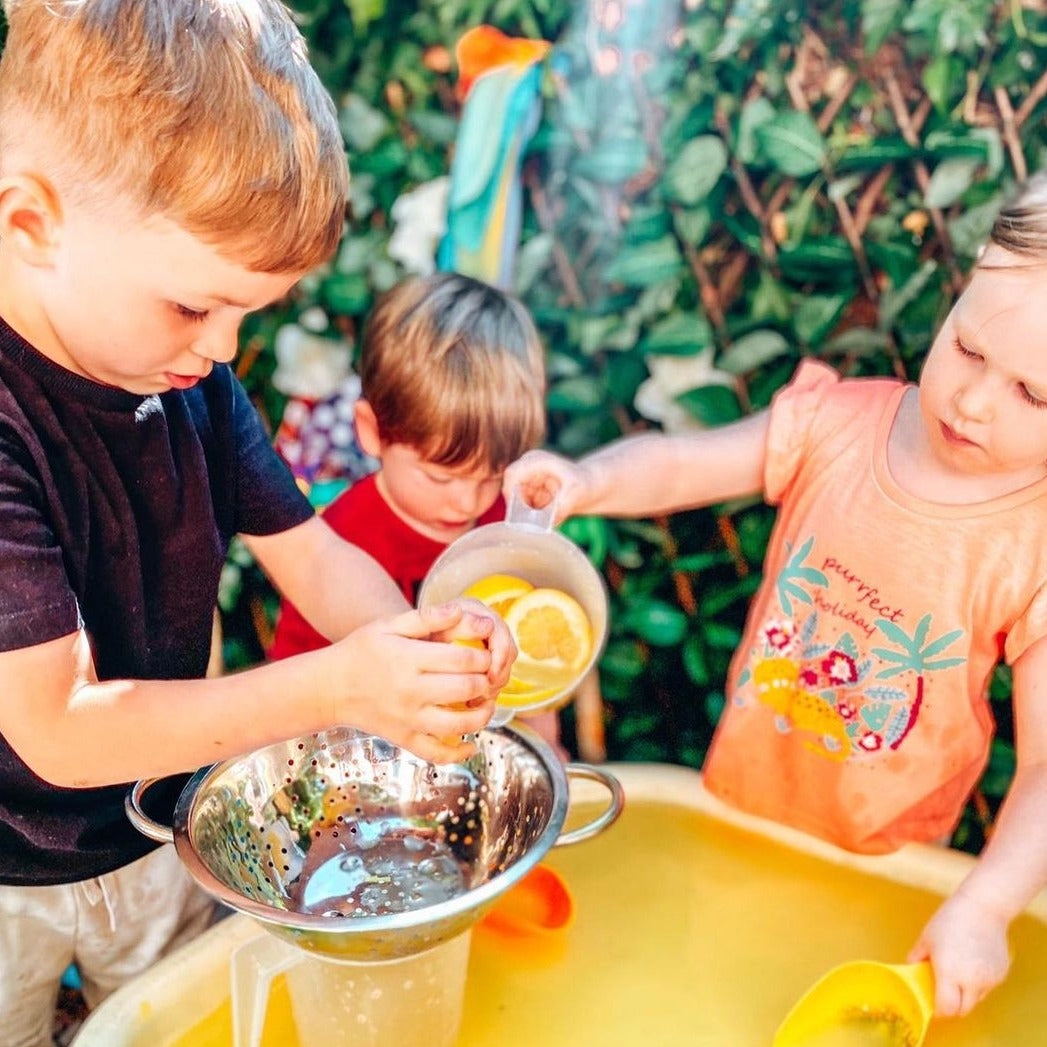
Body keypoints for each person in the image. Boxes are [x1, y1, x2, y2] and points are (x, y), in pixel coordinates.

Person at [0, 3, 510, 1044]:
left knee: (157, 1023)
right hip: (4, 871)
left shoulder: (187, 382)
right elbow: (56, 726)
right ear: (31, 225)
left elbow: (314, 557)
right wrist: (333, 684)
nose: (225, 349)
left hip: (151, 832)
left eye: (252, 313)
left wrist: (417, 648)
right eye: (195, 306)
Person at [505, 173, 1047, 1019]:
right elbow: (689, 461)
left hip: (885, 866)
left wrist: (983, 906)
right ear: (965, 281)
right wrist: (587, 478)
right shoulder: (837, 422)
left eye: (1032, 394)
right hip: (732, 808)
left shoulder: (1035, 542)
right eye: (969, 350)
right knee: (713, 1005)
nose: (974, 401)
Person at [270, 271, 565, 751]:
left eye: (491, 474)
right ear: (371, 431)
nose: (468, 502)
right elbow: (299, 688)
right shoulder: (339, 543)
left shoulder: (504, 524)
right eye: (441, 477)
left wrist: (541, 744)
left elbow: (533, 647)